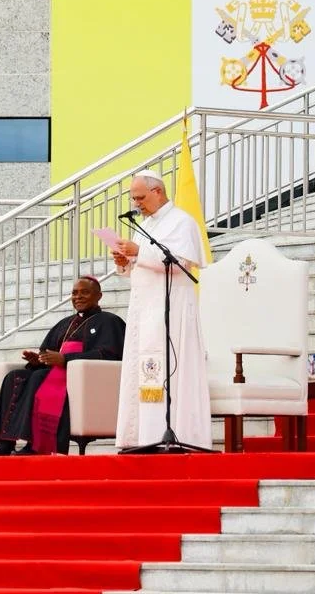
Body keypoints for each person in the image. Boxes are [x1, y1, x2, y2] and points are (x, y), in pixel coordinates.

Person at [112, 171, 212, 450]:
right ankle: (144, 436)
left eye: (140, 198)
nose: (136, 204)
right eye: (133, 199)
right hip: (144, 310)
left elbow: (179, 261)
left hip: (171, 308)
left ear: (158, 192)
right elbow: (139, 266)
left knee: (168, 368)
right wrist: (125, 261)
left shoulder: (182, 221)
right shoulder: (144, 225)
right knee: (145, 369)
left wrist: (138, 252)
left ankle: (175, 434)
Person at [0, 276, 125, 455]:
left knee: (39, 377)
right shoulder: (64, 323)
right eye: (74, 293)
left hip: (81, 381)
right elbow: (48, 351)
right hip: (54, 373)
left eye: (85, 292)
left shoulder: (109, 321)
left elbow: (109, 355)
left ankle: (35, 445)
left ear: (99, 296)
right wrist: (38, 360)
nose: (78, 297)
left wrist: (65, 359)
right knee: (14, 376)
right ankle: (5, 443)